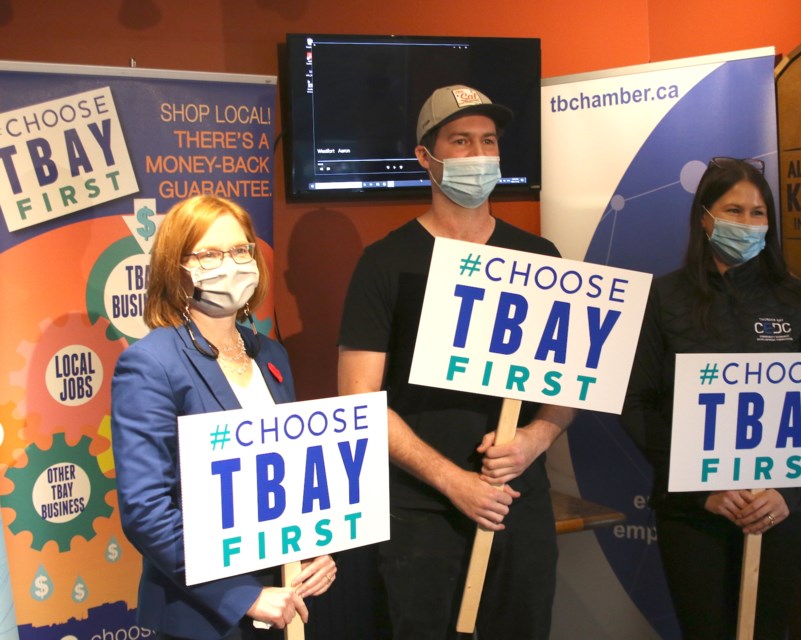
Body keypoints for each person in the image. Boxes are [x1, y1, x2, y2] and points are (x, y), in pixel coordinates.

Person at [337, 85, 575, 640]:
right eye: (460, 141)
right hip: (422, 515)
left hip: (519, 504)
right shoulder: (384, 264)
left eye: (488, 142)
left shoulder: (540, 258)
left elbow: (571, 382)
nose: (478, 155)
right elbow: (359, 401)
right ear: (426, 157)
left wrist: (536, 439)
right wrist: (455, 482)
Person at [620, 157, 801, 639]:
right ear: (705, 217)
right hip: (696, 512)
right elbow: (636, 404)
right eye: (734, 210)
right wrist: (703, 490)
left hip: (777, 508)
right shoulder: (663, 298)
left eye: (759, 213)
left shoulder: (796, 301)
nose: (747, 223)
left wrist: (788, 493)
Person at [111, 195, 337, 639]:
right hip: (202, 619)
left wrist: (315, 550)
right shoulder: (150, 364)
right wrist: (242, 595)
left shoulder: (271, 355)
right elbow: (147, 509)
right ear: (177, 268)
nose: (230, 264)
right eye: (210, 254)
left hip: (285, 603)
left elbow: (289, 473)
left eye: (240, 250)